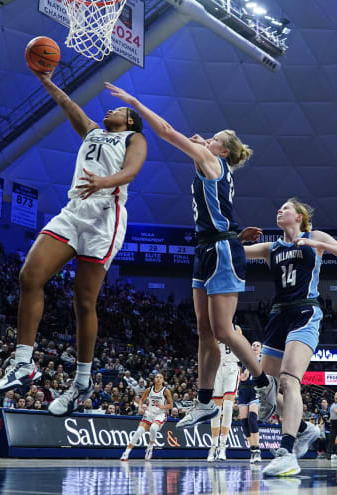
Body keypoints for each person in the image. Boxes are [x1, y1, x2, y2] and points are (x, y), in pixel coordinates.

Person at [104, 82, 276, 428]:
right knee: (204, 332)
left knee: (224, 331)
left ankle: (263, 383)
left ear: (222, 151)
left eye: (213, 139)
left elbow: (167, 132)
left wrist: (135, 101)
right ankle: (203, 402)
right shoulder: (213, 163)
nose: (206, 139)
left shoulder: (211, 160)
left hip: (222, 249)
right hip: (206, 247)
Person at [0, 65, 148, 419]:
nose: (110, 111)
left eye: (119, 110)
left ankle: (82, 380)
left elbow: (132, 173)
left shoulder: (134, 138)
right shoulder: (93, 132)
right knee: (29, 277)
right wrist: (47, 81)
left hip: (105, 218)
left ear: (130, 121)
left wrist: (105, 182)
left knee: (83, 302)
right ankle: (23, 363)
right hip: (74, 211)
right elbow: (68, 106)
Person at [241, 198, 337, 476]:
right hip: (277, 315)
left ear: (299, 216)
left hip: (305, 311)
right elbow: (232, 251)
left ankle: (287, 451)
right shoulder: (271, 248)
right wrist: (239, 238)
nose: (279, 210)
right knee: (267, 390)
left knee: (288, 380)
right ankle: (305, 429)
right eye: (279, 208)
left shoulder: (314, 237)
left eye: (286, 208)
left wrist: (320, 246)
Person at [208, 325, 242, 462]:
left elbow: (239, 344)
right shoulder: (212, 328)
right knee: (216, 411)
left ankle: (223, 446)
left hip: (231, 368)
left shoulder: (235, 327)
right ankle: (213, 445)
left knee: (228, 407)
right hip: (216, 369)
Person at [120, 373, 173, 461]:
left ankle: (150, 448)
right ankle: (126, 453)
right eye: (157, 377)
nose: (158, 379)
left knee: (153, 428)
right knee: (138, 432)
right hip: (149, 413)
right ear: (154, 379)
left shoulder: (166, 391)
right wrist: (140, 408)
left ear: (163, 380)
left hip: (160, 414)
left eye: (160, 378)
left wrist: (161, 406)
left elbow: (171, 405)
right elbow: (141, 400)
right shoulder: (149, 390)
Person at [236, 340, 262, 464]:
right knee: (244, 422)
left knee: (252, 419)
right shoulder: (244, 358)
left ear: (261, 349)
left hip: (255, 389)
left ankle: (257, 450)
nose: (255, 347)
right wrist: (240, 374)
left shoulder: (263, 360)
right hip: (243, 391)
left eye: (258, 346)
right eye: (253, 345)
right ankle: (252, 450)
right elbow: (238, 371)